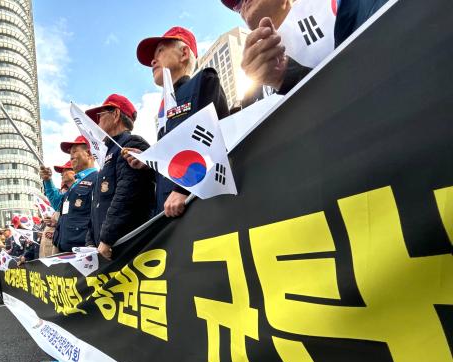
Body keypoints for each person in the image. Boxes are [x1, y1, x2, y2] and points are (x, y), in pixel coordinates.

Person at [125, 26, 230, 218]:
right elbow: (173, 156)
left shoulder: (203, 81)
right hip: (166, 211)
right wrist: (148, 160)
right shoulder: (164, 108)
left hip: (197, 209)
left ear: (184, 53)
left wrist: (182, 188)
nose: (152, 61)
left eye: (160, 51)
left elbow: (216, 138)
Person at [223, 0, 389, 101]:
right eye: (233, 2)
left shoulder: (357, 5)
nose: (241, 2)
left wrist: (288, 77)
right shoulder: (252, 95)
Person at [84, 94, 154, 259]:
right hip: (103, 248)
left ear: (115, 115)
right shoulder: (106, 154)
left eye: (100, 116)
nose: (98, 122)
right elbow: (97, 203)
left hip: (124, 246)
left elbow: (126, 195)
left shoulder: (131, 144)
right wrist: (90, 241)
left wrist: (106, 239)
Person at [39, 136, 97, 252]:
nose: (71, 156)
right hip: (66, 249)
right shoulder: (75, 185)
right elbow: (57, 204)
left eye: (75, 151)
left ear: (89, 154)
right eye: (70, 153)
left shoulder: (97, 178)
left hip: (84, 251)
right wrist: (47, 180)